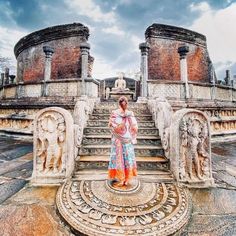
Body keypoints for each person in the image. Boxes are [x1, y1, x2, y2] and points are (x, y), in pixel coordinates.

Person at [108, 96, 138, 186]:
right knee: (127, 158)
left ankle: (121, 178)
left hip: (118, 139)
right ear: (127, 103)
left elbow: (111, 125)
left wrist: (119, 128)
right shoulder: (130, 113)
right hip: (127, 139)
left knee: (119, 158)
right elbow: (135, 127)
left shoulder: (115, 113)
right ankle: (126, 179)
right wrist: (130, 133)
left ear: (118, 103)